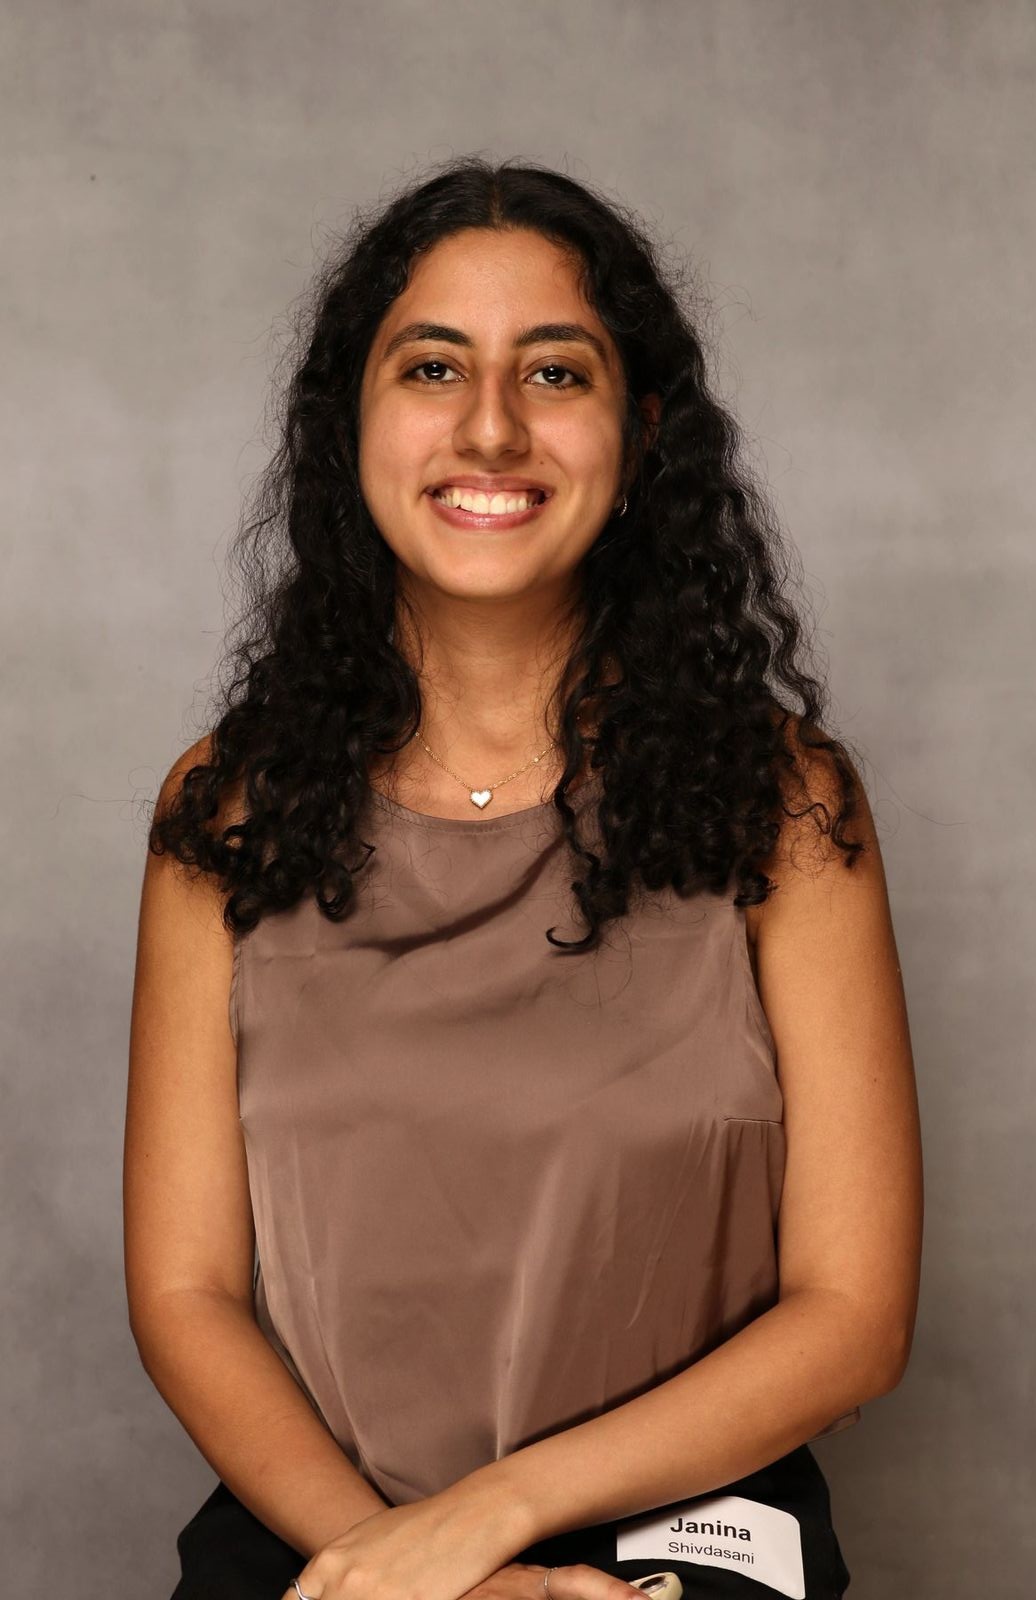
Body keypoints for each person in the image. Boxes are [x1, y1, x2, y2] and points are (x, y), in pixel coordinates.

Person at [125, 157, 923, 1600]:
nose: (489, 426)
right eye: (432, 367)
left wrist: (486, 1522)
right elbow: (186, 1295)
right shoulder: (228, 809)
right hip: (325, 1535)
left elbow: (853, 1317)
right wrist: (389, 1564)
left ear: (643, 433)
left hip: (684, 1534)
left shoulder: (782, 803)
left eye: (554, 372)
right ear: (349, 423)